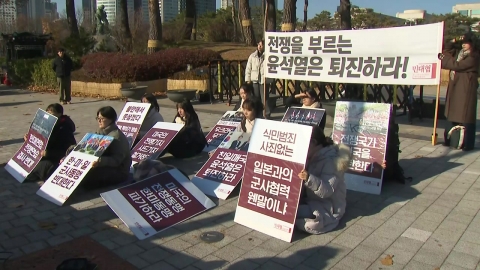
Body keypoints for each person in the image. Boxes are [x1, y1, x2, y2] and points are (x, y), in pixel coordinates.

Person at [295, 126, 351, 235]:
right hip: (311, 199)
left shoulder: (332, 161)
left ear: (313, 142)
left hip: (329, 206)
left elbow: (327, 190)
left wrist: (308, 178)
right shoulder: (313, 156)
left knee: (293, 213)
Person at [439, 33, 479, 151]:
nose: (464, 45)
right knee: (452, 113)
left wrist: (443, 59)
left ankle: (467, 142)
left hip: (466, 88)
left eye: (467, 43)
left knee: (465, 115)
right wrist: (455, 39)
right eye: (463, 42)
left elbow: (457, 65)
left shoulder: (474, 56)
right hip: (455, 86)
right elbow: (447, 48)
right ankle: (451, 139)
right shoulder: (459, 53)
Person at [75, 106, 132, 189]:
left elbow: (116, 160)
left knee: (88, 178)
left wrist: (100, 161)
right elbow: (88, 147)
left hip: (119, 171)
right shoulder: (100, 131)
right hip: (104, 165)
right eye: (98, 118)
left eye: (102, 118)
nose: (99, 121)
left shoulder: (117, 137)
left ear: (111, 119)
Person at [24, 103, 76, 182]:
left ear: (59, 114)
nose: (50, 118)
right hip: (43, 155)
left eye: (52, 115)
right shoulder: (45, 125)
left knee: (45, 167)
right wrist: (29, 138)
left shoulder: (64, 128)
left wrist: (48, 153)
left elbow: (66, 151)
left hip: (56, 158)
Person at [246, 40, 270, 119]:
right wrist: (248, 79)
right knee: (256, 98)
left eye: (262, 45)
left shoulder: (268, 56)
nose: (260, 46)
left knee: (264, 98)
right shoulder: (252, 56)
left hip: (263, 80)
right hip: (255, 79)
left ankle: (266, 114)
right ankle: (256, 113)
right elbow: (248, 68)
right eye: (259, 44)